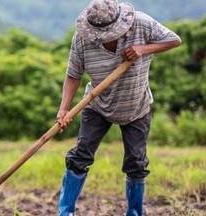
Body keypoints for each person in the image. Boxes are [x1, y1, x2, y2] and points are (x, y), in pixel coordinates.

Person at [56, 0, 181, 215]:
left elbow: (174, 40)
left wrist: (144, 49)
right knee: (79, 156)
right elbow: (73, 75)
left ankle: (134, 212)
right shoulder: (82, 40)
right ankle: (65, 212)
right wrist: (63, 110)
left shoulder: (141, 24)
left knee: (136, 163)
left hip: (136, 106)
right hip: (97, 105)